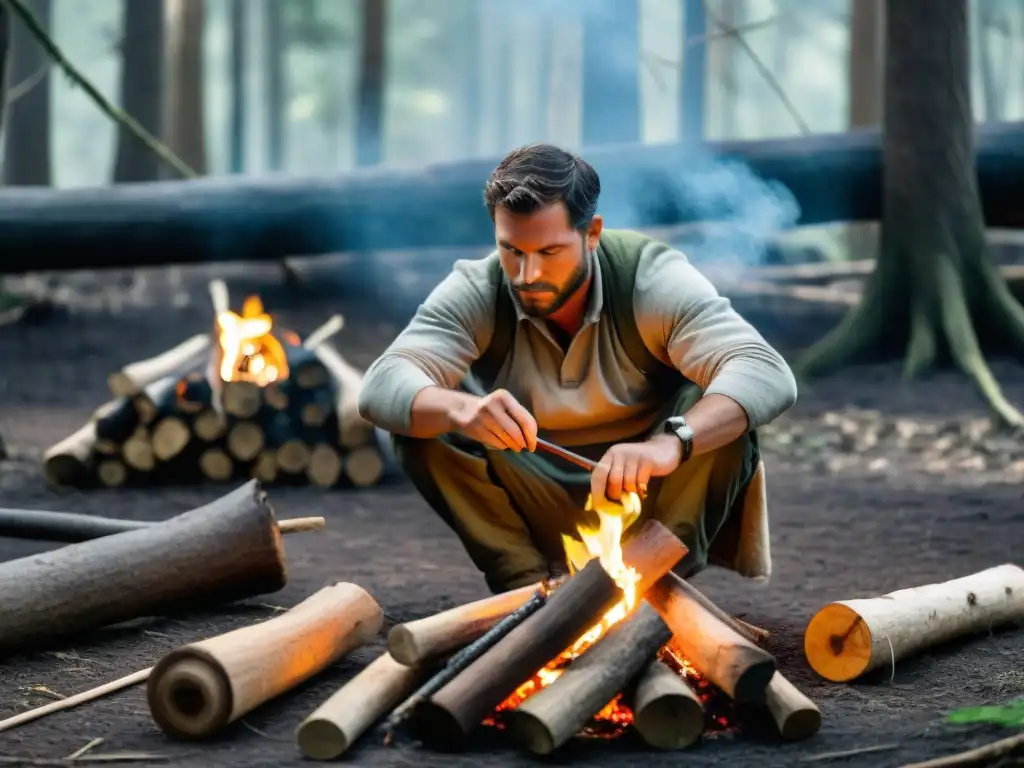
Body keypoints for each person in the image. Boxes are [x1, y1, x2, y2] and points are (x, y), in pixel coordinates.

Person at [358, 143, 797, 594]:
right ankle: (524, 591)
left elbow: (764, 371)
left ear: (592, 234)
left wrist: (671, 443)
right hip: (531, 496)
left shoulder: (649, 278)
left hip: (648, 499)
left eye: (549, 252)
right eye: (512, 250)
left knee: (723, 412)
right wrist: (461, 411)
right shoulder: (479, 287)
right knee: (424, 419)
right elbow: (381, 386)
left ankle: (652, 586)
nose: (527, 274)